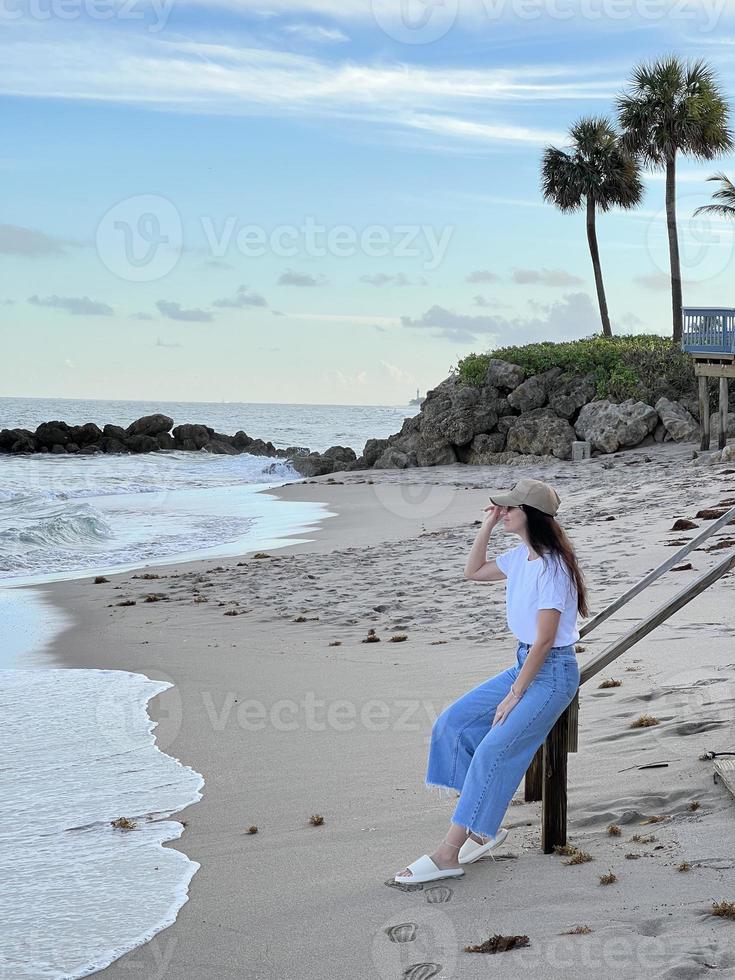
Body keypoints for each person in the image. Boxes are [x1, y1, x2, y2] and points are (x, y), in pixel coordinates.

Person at [395, 477, 589, 884]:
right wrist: (486, 525)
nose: (503, 512)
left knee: (492, 749)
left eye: (509, 509)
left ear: (530, 516)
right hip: (526, 664)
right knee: (453, 724)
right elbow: (473, 571)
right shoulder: (521, 558)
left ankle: (449, 852)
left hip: (551, 675)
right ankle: (482, 825)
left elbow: (546, 639)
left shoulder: (553, 568)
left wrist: (515, 694)